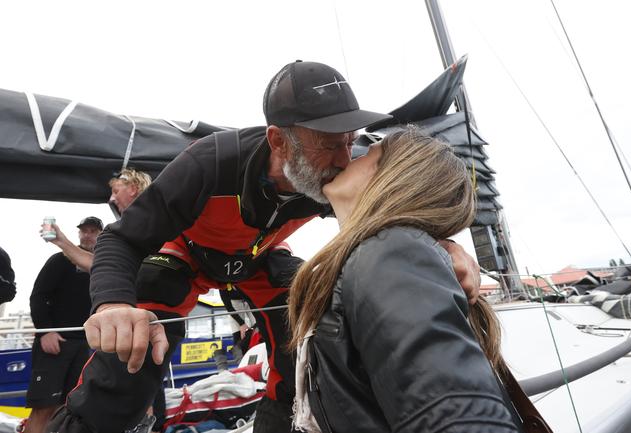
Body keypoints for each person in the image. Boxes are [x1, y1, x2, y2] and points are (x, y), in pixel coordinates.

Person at [48, 60, 481, 433]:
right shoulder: (210, 164)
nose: (344, 160)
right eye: (328, 143)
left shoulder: (339, 171)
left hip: (257, 258)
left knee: (305, 337)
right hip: (186, 255)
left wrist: (445, 244)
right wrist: (112, 306)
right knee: (136, 349)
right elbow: (122, 240)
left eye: (349, 140)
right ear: (277, 140)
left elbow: (398, 205)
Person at [288, 129, 522, 433]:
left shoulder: (391, 255)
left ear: (392, 177)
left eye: (367, 153)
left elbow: (462, 420)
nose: (346, 158)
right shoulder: (388, 255)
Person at [25, 217, 103, 433]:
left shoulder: (105, 268)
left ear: (101, 235)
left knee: (70, 408)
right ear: (78, 234)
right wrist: (45, 332)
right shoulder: (59, 261)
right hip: (57, 342)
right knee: (43, 407)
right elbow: (38, 297)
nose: (88, 235)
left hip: (88, 346)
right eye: (84, 231)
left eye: (93, 231)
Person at [43, 168, 152, 272]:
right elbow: (101, 265)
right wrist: (60, 240)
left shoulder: (160, 224)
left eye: (116, 191)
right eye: (84, 230)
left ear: (133, 189)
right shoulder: (118, 233)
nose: (111, 199)